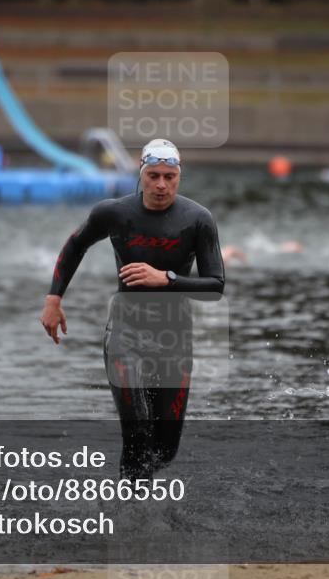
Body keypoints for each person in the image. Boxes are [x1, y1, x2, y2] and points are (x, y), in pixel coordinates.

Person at [39, 139, 225, 479]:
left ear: (179, 176)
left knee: (164, 449)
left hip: (174, 339)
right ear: (141, 174)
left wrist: (166, 279)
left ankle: (137, 498)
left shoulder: (198, 219)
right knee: (138, 431)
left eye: (169, 177)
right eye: (153, 176)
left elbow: (215, 286)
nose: (161, 185)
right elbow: (76, 245)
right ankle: (129, 507)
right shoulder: (114, 213)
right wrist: (54, 298)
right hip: (126, 335)